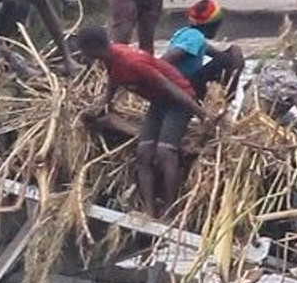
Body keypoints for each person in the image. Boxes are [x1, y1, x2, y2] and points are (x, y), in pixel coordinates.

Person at [76, 26, 208, 219]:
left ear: (92, 47)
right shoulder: (110, 57)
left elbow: (167, 85)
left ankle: (170, 209)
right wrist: (106, 102)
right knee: (143, 152)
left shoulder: (131, 61)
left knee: (165, 150)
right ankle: (149, 210)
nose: (83, 54)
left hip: (179, 99)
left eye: (83, 50)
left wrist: (200, 112)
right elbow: (114, 77)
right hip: (159, 101)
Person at [160, 0, 245, 102]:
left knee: (233, 53)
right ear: (211, 25)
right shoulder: (196, 37)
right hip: (186, 85)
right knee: (235, 51)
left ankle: (225, 96)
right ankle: (228, 99)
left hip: (183, 83)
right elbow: (167, 58)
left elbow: (218, 55)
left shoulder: (186, 33)